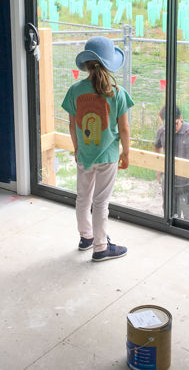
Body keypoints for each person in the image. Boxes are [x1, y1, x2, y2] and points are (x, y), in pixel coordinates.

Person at [62, 36, 134, 262]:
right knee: (101, 202)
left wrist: (76, 147)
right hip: (109, 156)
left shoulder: (75, 90)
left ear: (85, 65)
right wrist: (126, 152)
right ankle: (101, 247)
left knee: (83, 198)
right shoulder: (117, 92)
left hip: (84, 155)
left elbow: (73, 125)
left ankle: (86, 238)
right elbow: (124, 128)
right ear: (110, 64)